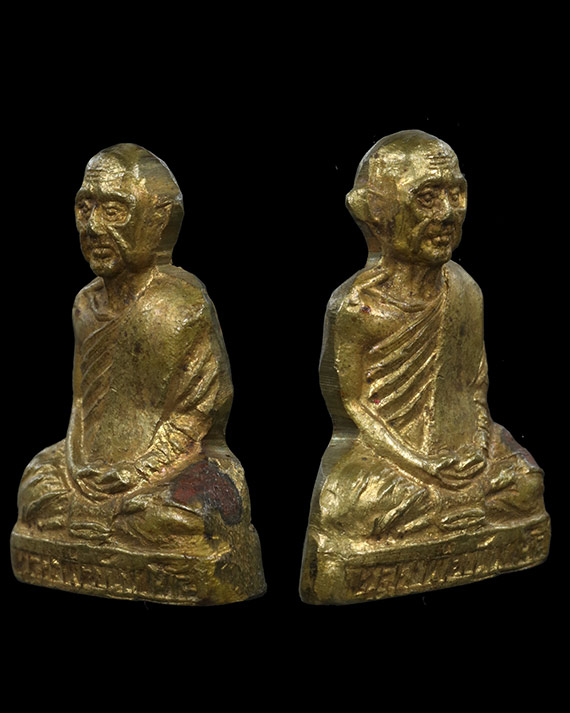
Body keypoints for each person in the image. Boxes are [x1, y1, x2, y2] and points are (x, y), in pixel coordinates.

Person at [301, 130, 549, 602]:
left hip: (464, 448)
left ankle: (454, 508)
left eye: (457, 194)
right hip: (396, 459)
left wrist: (478, 449)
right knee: (345, 509)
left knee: (526, 482)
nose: (448, 214)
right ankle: (452, 509)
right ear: (377, 213)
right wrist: (425, 466)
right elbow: (354, 406)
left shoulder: (465, 290)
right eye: (427, 198)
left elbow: (475, 389)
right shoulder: (358, 308)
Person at [13, 144, 264, 603]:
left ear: (158, 221)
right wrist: (79, 470)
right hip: (89, 468)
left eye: (114, 211)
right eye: (84, 208)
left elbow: (195, 422)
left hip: (163, 471)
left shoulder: (182, 305)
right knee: (35, 483)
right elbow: (82, 408)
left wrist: (133, 475)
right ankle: (96, 518)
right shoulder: (85, 305)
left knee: (194, 510)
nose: (93, 227)